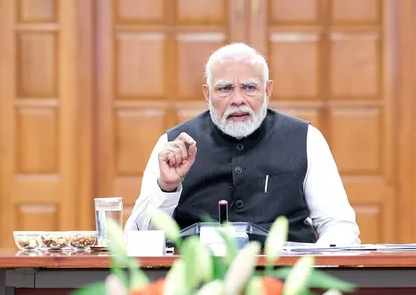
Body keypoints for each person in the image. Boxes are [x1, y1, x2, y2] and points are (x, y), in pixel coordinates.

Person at [125, 43, 360, 246]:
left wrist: (313, 266)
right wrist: (166, 187)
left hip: (283, 283)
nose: (238, 100)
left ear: (267, 91)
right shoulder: (173, 144)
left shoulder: (306, 138)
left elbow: (340, 227)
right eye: (225, 89)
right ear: (207, 94)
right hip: (196, 285)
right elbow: (139, 239)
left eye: (249, 88)